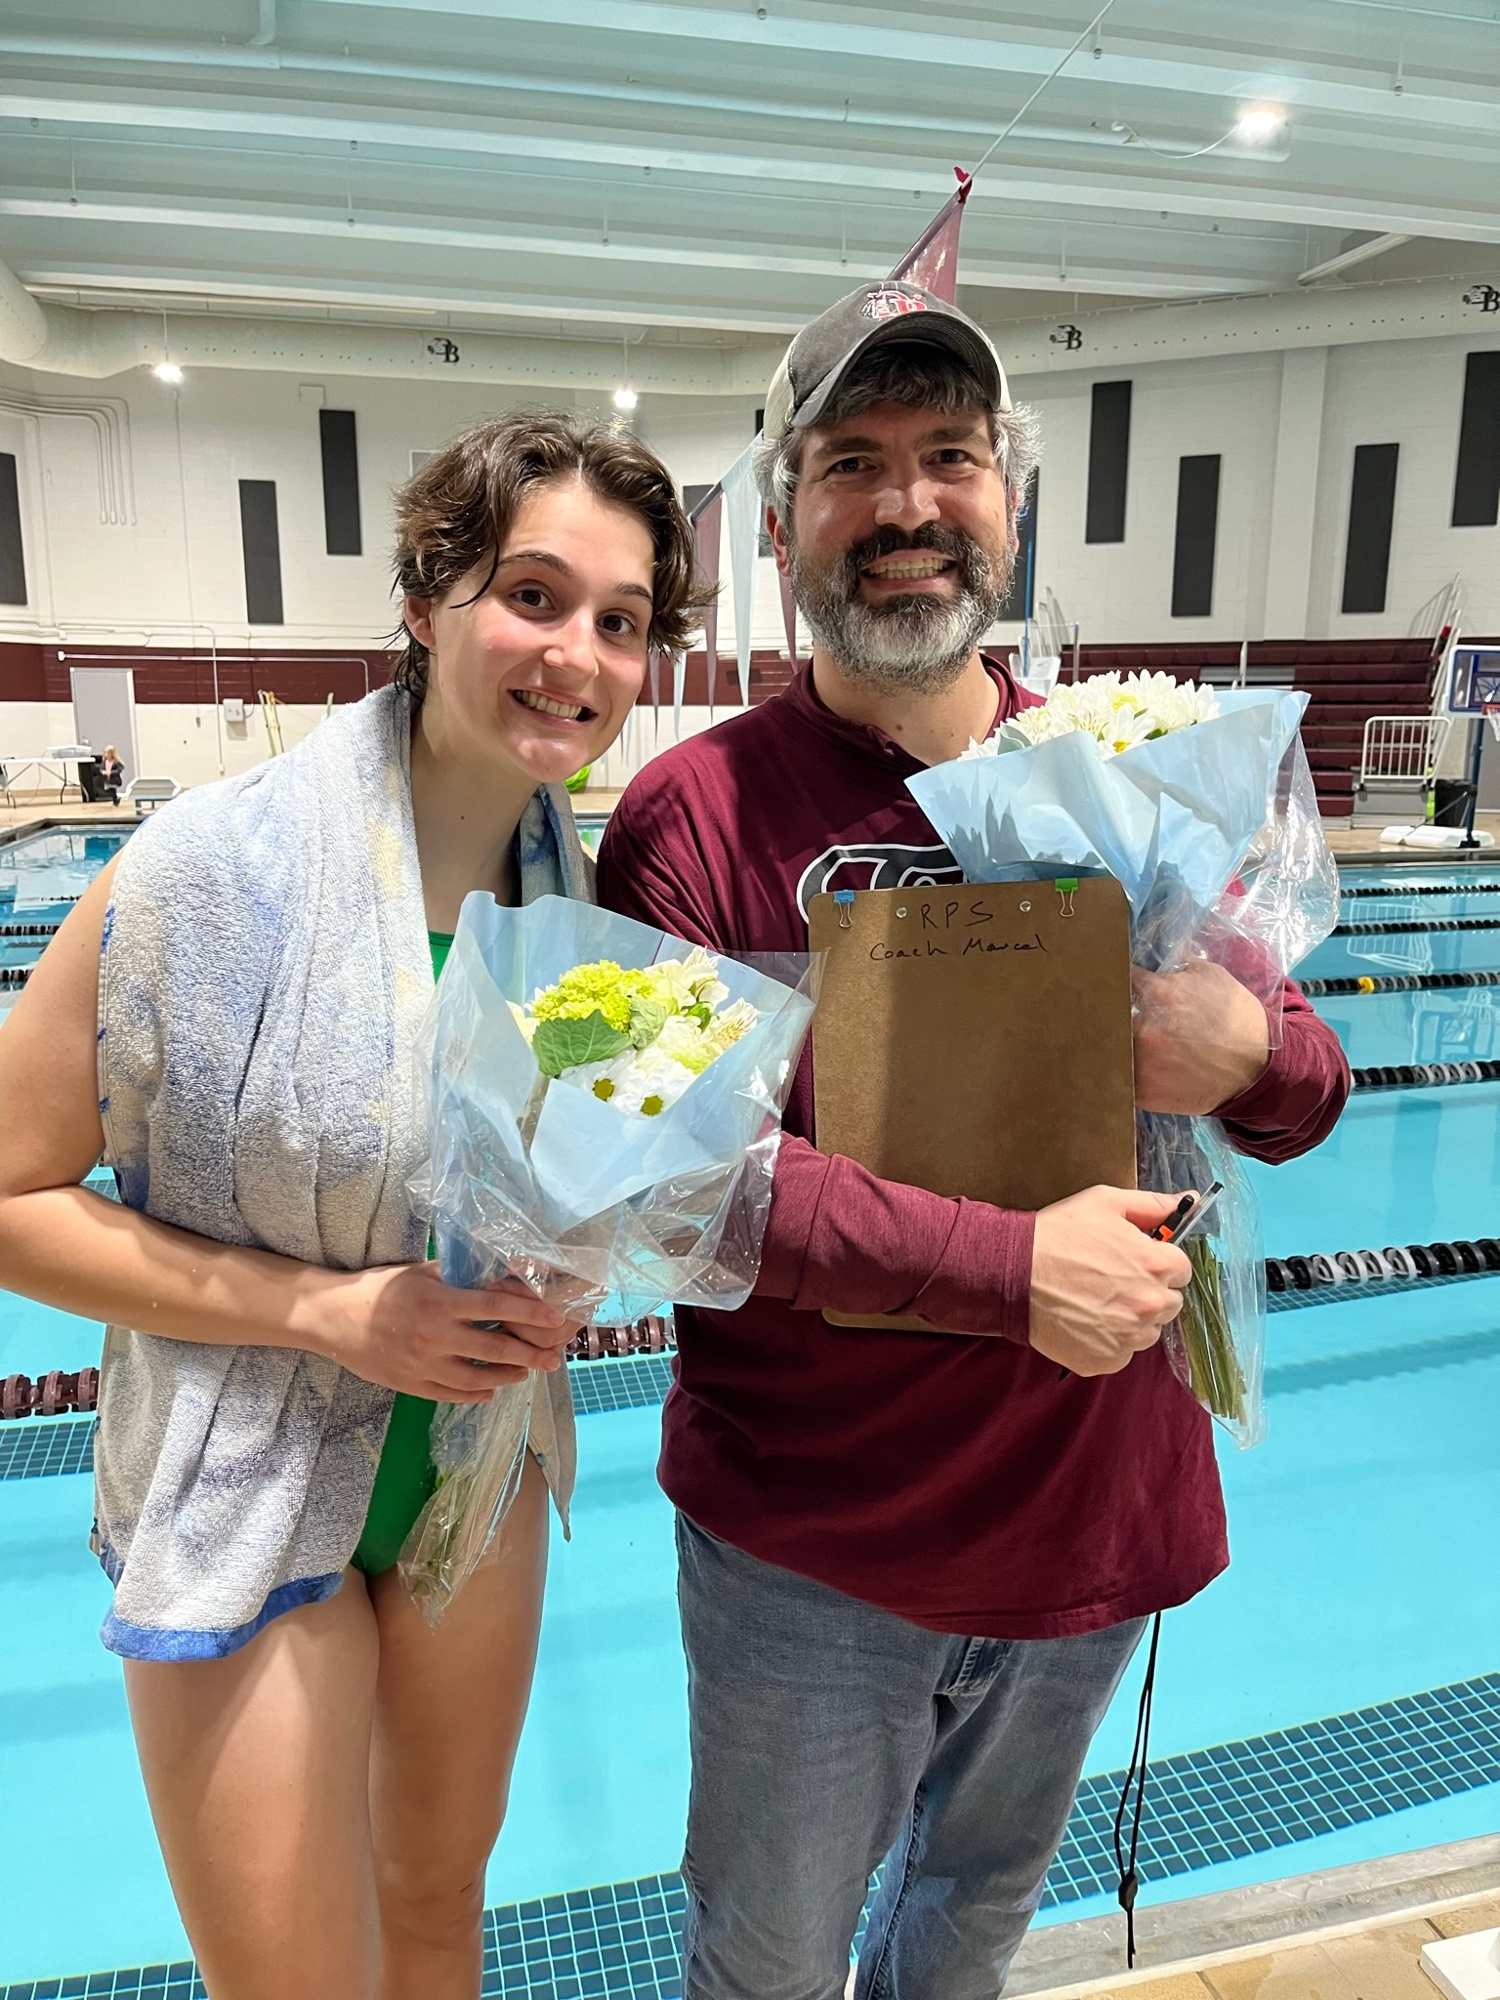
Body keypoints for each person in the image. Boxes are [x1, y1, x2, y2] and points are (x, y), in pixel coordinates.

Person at [596, 283, 1351, 2000]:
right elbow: (690, 1188)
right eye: (853, 464)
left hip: (1084, 1520)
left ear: (1009, 500)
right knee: (771, 1963)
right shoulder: (693, 818)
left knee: (967, 1939)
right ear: (783, 521)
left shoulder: (1129, 775)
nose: (909, 504)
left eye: (951, 456)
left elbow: (1308, 1093)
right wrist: (1016, 1271)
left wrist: (1243, 1047)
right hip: (812, 1552)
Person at [0, 412, 707, 2000]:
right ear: (425, 600)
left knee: (439, 1911)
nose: (577, 655)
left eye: (621, 621)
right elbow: (7, 1194)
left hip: (476, 1468)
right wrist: (326, 1312)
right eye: (533, 595)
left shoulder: (579, 901)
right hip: (246, 1462)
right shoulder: (204, 873)